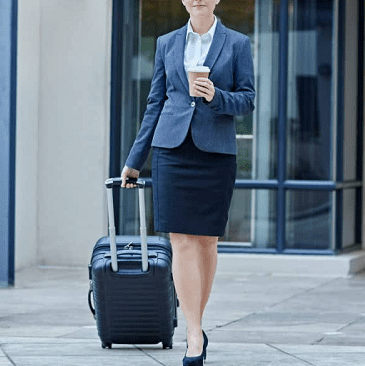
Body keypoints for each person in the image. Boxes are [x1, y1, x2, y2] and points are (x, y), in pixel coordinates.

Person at [120, 1, 255, 365]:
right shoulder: (167, 43)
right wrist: (135, 160)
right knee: (180, 240)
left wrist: (216, 96)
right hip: (171, 150)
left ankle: (196, 323)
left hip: (215, 154)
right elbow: (155, 103)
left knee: (207, 241)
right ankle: (194, 332)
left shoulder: (238, 43)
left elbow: (248, 99)